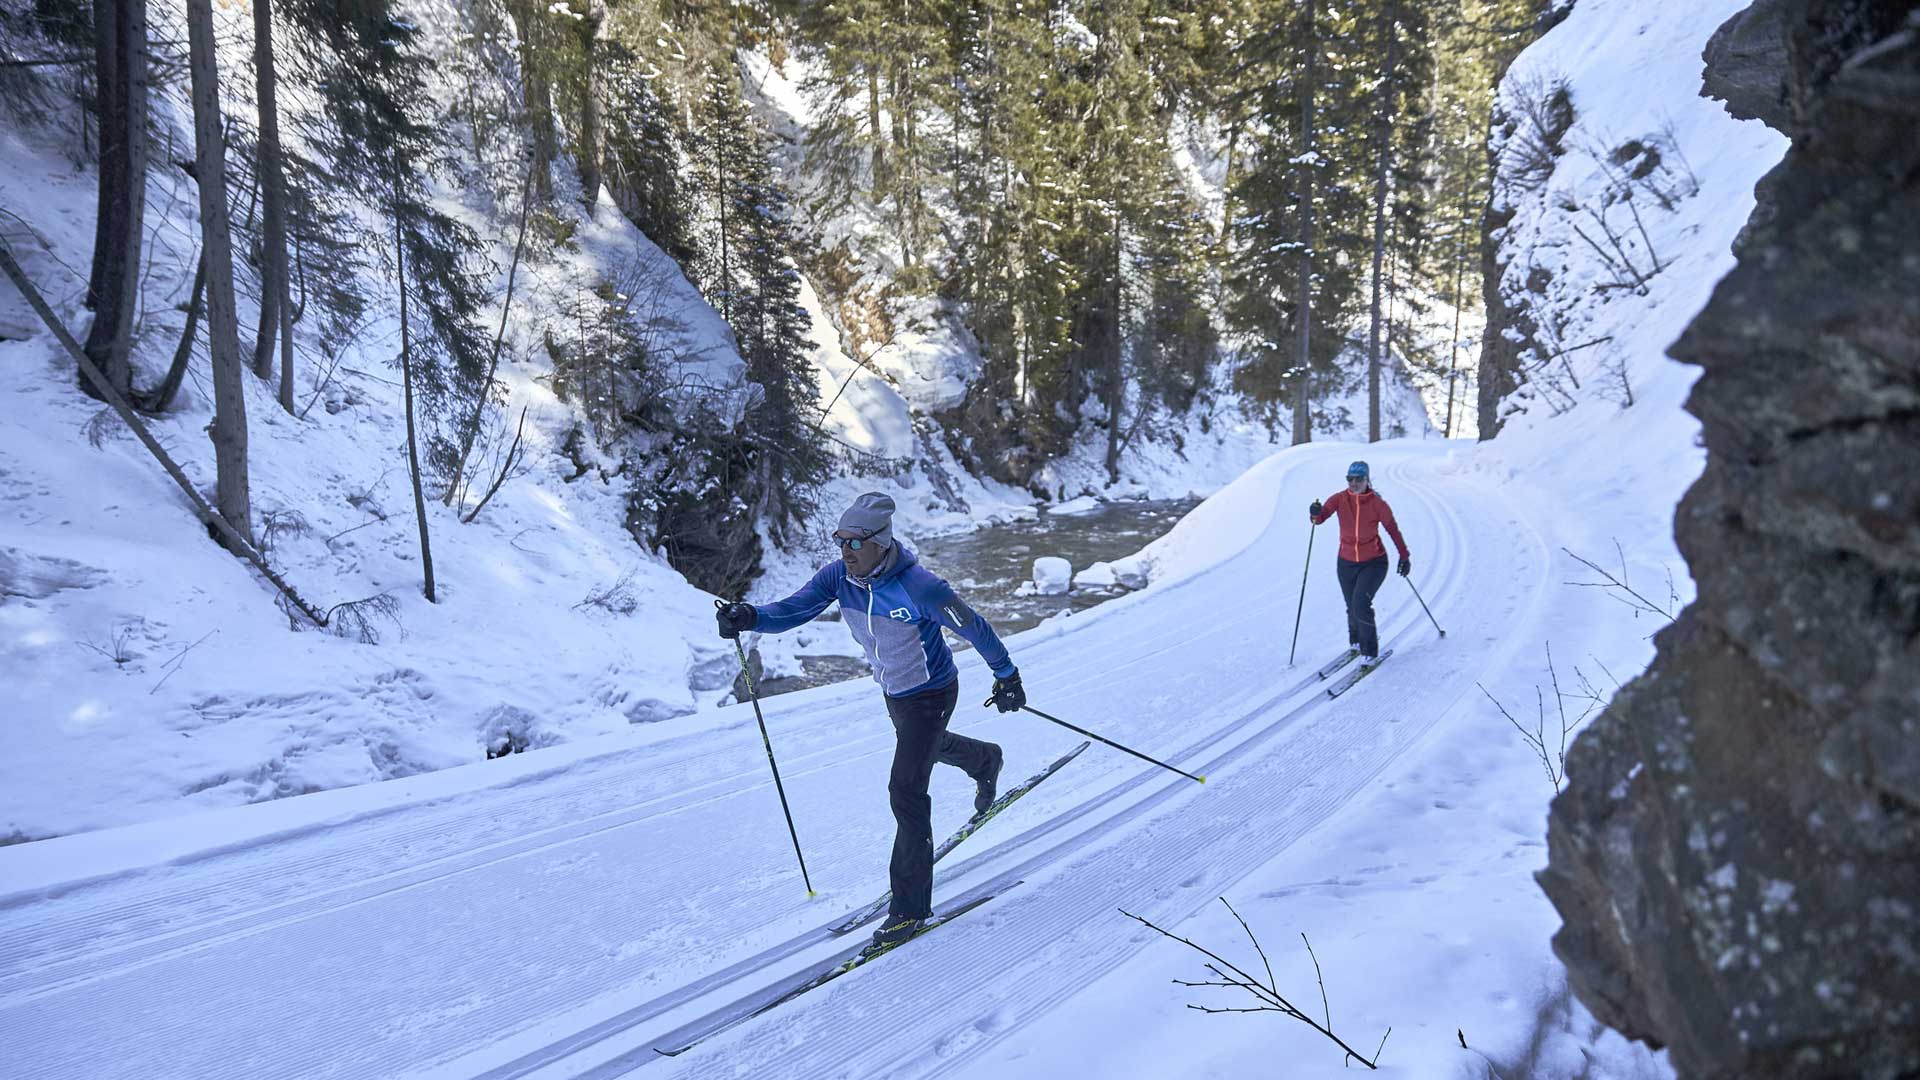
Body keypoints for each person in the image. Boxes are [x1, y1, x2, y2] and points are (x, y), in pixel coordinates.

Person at [715, 492, 1026, 952]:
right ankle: (984, 759)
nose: (846, 550)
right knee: (927, 748)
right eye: (841, 540)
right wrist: (751, 617)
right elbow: (794, 609)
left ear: (881, 542)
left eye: (856, 542)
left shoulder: (922, 587)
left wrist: (1007, 675)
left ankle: (910, 911)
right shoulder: (839, 578)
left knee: (906, 788)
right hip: (895, 693)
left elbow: (973, 626)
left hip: (933, 692)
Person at [1309, 461, 1411, 665]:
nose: (1353, 483)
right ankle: (1355, 641)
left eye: (1358, 479)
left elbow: (1393, 530)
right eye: (1350, 479)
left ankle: (1370, 651)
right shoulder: (1339, 499)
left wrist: (1404, 556)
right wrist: (1314, 512)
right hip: (1345, 562)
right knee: (1351, 605)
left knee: (1360, 603)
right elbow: (1318, 520)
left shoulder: (1377, 504)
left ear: (1367, 480)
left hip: (1374, 563)